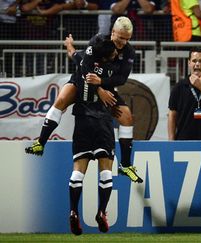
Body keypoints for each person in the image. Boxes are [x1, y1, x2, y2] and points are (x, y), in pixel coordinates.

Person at [25, 16, 143, 184]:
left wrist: (101, 84)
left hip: (103, 87)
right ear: (113, 32)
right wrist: (99, 89)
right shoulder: (97, 40)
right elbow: (84, 65)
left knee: (127, 117)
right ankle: (41, 142)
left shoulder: (129, 52)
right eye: (121, 37)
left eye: (127, 39)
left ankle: (125, 164)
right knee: (61, 100)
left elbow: (122, 79)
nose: (124, 42)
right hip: (81, 81)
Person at [68, 38, 117, 236]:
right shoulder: (109, 71)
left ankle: (73, 210)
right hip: (102, 120)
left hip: (81, 118)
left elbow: (74, 54)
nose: (115, 54)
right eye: (112, 53)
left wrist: (69, 45)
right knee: (105, 170)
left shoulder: (83, 61)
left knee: (78, 171)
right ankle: (101, 212)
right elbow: (117, 82)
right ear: (104, 57)